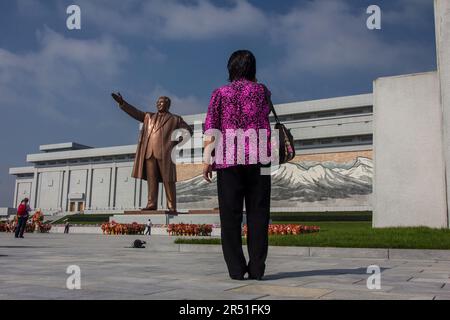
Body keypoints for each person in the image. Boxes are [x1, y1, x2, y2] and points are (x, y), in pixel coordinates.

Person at [203, 50, 272, 280]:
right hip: (259, 157)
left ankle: (235, 268)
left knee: (230, 217)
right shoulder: (262, 91)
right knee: (258, 214)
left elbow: (211, 127)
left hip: (228, 158)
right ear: (252, 68)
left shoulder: (219, 93)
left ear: (230, 68)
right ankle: (256, 269)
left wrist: (206, 159)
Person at [111, 94, 193, 212]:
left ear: (167, 104)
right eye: (157, 102)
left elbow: (188, 131)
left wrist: (175, 143)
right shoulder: (149, 116)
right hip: (149, 152)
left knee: (168, 180)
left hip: (166, 153)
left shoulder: (175, 119)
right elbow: (135, 113)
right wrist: (123, 104)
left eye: (161, 102)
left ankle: (171, 206)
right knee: (152, 180)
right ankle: (151, 204)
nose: (158, 104)